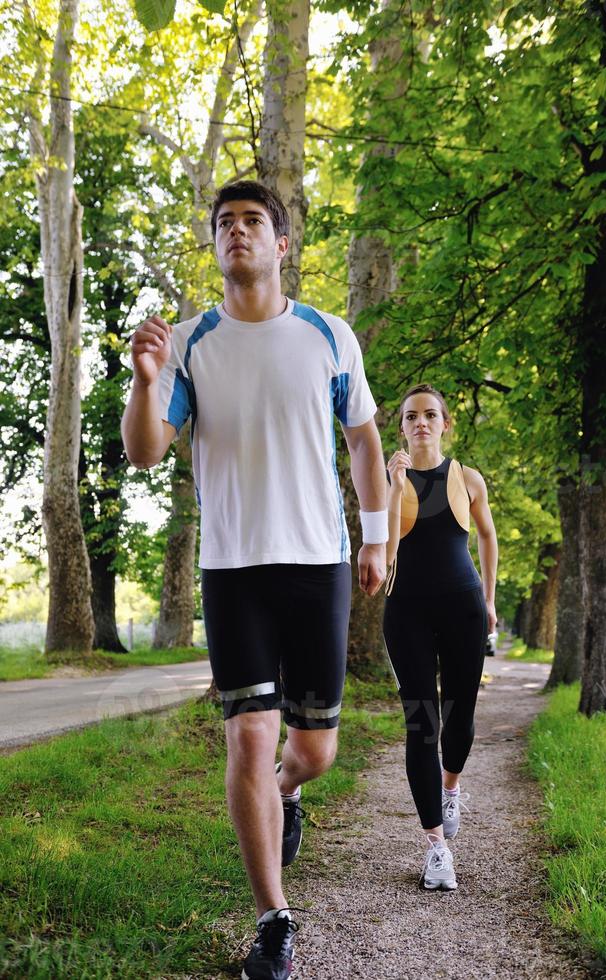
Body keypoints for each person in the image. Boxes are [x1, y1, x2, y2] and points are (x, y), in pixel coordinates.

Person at [121, 180, 387, 980]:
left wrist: (375, 541)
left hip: (319, 563)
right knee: (248, 733)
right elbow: (143, 452)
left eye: (253, 222)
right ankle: (274, 921)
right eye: (224, 223)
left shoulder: (328, 336)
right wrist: (143, 377)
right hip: (233, 567)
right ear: (215, 246)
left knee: (314, 751)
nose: (238, 232)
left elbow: (366, 444)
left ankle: (287, 795)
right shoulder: (191, 341)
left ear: (281, 246)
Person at [383, 383, 498, 891]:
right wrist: (392, 484)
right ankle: (436, 846)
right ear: (402, 426)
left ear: (445, 423)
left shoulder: (468, 479)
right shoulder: (392, 481)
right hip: (404, 610)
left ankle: (450, 787)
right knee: (420, 723)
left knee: (459, 715)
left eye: (431, 415)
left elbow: (488, 536)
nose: (421, 423)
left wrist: (491, 599)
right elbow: (386, 548)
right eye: (411, 417)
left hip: (463, 609)